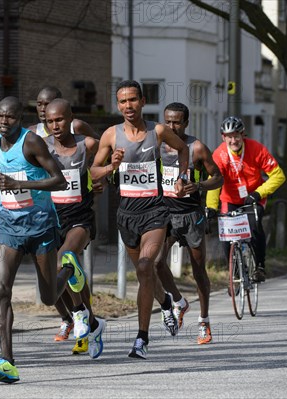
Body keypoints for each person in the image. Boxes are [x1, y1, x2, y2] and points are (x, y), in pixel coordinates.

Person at [0, 96, 87, 383]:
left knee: (49, 296)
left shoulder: (31, 143)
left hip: (40, 226)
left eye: (10, 117)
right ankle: (7, 361)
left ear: (19, 118)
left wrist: (21, 184)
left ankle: (69, 269)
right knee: (1, 289)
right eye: (0, 117)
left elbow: (59, 181)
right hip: (7, 226)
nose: (4, 122)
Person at [90, 80, 189, 359]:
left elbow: (183, 149)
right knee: (143, 273)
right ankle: (166, 302)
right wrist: (113, 165)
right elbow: (93, 172)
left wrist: (182, 177)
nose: (128, 106)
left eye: (133, 100)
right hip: (127, 215)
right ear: (117, 104)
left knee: (147, 266)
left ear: (143, 101)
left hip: (155, 211)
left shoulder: (157, 131)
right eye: (122, 101)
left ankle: (141, 339)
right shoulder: (111, 135)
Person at [154, 102, 224, 345]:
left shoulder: (197, 148)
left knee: (198, 270)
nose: (172, 127)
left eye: (177, 122)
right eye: (168, 122)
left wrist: (200, 186)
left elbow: (218, 178)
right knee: (156, 263)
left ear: (186, 123)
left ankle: (204, 321)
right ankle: (179, 301)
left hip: (192, 215)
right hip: (165, 214)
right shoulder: (158, 146)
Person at [43, 99, 106, 359]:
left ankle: (78, 312)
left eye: (60, 120)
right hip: (51, 219)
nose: (55, 125)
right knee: (66, 275)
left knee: (65, 260)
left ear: (71, 118)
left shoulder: (86, 144)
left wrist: (100, 176)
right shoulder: (42, 147)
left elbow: (108, 153)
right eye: (50, 121)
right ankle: (92, 325)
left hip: (80, 218)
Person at [206, 116, 286, 283]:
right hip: (230, 199)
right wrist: (211, 207)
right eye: (229, 137)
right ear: (223, 137)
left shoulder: (256, 149)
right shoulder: (219, 155)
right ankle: (234, 273)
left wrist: (259, 193)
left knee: (255, 226)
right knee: (227, 236)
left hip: (254, 197)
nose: (233, 140)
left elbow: (279, 176)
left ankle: (259, 266)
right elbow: (214, 182)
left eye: (237, 136)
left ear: (243, 135)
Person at [27, 86, 99, 139]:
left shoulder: (75, 126)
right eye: (39, 104)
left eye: (47, 104)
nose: (42, 109)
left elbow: (102, 145)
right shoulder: (33, 132)